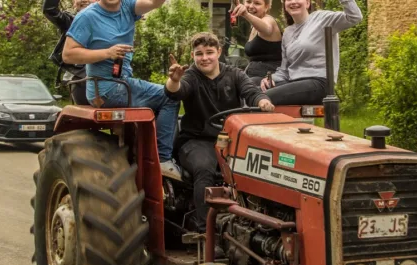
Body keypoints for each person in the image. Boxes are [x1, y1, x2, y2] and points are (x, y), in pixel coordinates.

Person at [164, 32, 274, 233]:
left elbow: (251, 91)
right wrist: (173, 80)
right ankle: (204, 229)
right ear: (192, 56)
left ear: (219, 52)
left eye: (209, 52)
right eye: (199, 54)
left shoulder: (234, 74)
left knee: (260, 165)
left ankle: (256, 225)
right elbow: (176, 91)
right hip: (196, 140)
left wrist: (262, 101)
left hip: (229, 139)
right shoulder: (190, 77)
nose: (204, 58)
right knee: (204, 168)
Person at [62, 0, 182, 178]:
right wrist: (107, 53)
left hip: (123, 83)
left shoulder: (127, 7)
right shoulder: (87, 16)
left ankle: (143, 153)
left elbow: (154, 3)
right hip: (106, 89)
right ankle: (163, 159)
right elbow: (68, 54)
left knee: (164, 96)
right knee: (169, 96)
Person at [260, 0, 362, 105]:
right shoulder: (288, 32)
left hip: (319, 82)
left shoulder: (322, 19)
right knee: (253, 91)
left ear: (307, 3)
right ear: (285, 6)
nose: (293, 2)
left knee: (263, 97)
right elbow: (284, 70)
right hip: (294, 82)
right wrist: (270, 79)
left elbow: (354, 17)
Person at [42, 0, 96, 105]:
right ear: (74, 3)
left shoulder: (110, 21)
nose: (85, 0)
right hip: (81, 78)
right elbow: (50, 10)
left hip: (108, 78)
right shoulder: (71, 21)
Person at [230, 0, 282, 85]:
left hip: (267, 79)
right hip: (251, 76)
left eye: (257, 3)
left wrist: (246, 14)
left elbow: (267, 29)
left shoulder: (269, 20)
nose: (251, 6)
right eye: (248, 2)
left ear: (267, 6)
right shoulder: (254, 26)